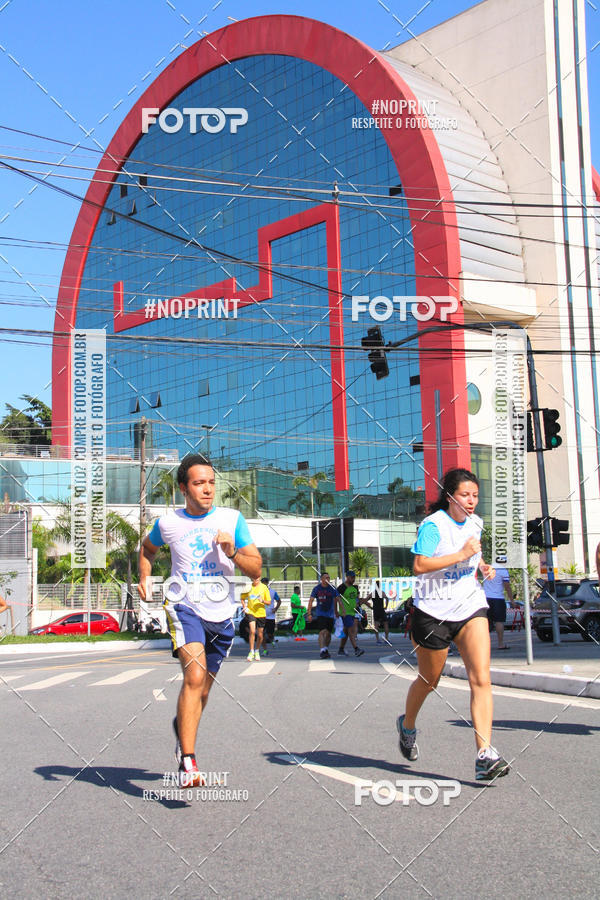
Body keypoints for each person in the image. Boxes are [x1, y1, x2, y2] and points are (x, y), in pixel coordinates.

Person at [138, 454, 262, 788]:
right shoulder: (168, 524)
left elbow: (256, 570)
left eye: (211, 482)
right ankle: (189, 762)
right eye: (199, 483)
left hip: (222, 612)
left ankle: (183, 728)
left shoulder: (232, 519)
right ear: (183, 488)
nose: (207, 489)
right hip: (183, 605)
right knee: (194, 676)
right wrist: (145, 575)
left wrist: (233, 551)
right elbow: (147, 549)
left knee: (203, 691)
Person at [396, 467, 510, 782]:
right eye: (465, 495)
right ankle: (407, 725)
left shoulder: (476, 523)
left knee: (481, 679)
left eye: (475, 495)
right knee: (430, 680)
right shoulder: (433, 525)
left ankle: (484, 754)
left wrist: (482, 567)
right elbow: (419, 565)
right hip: (433, 613)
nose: (471, 501)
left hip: (471, 606)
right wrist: (460, 554)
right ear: (450, 497)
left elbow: (473, 558)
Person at [307, 572, 339, 659]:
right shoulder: (317, 589)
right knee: (322, 631)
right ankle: (322, 650)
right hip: (320, 614)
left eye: (328, 578)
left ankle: (325, 649)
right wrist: (309, 614)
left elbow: (338, 600)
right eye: (326, 578)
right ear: (321, 579)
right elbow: (311, 601)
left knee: (328, 634)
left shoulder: (333, 589)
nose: (327, 579)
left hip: (330, 615)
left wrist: (339, 611)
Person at [483, 567, 514, 649]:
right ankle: (500, 643)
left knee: (485, 623)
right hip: (498, 598)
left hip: (485, 597)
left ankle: (483, 645)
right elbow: (507, 586)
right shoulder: (503, 570)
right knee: (499, 621)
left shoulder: (487, 568)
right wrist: (512, 600)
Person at [241, 576, 271, 660]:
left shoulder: (264, 587)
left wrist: (263, 601)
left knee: (260, 634)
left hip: (261, 613)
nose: (255, 580)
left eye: (257, 578)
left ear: (259, 578)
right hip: (251, 612)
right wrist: (244, 606)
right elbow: (242, 598)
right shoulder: (248, 587)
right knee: (252, 631)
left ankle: (257, 651)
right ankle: (251, 651)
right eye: (254, 578)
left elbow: (269, 602)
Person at [336, 571, 364, 657]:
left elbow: (357, 599)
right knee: (351, 630)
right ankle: (356, 649)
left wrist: (362, 603)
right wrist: (338, 610)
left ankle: (341, 649)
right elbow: (336, 598)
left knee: (346, 632)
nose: (353, 579)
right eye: (351, 577)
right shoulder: (341, 588)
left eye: (354, 577)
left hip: (353, 612)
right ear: (347, 577)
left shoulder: (355, 587)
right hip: (345, 613)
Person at [262, 576, 281, 654]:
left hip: (270, 616)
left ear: (267, 583)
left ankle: (272, 640)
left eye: (265, 584)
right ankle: (265, 650)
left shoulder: (273, 592)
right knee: (261, 634)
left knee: (270, 633)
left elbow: (279, 601)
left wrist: (275, 609)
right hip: (261, 616)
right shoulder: (258, 592)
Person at [369, 580, 390, 645]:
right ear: (380, 586)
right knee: (385, 624)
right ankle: (386, 639)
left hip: (375, 610)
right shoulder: (382, 592)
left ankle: (378, 640)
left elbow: (365, 600)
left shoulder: (372, 593)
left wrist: (370, 607)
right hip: (381, 610)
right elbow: (387, 598)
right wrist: (386, 606)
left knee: (376, 625)